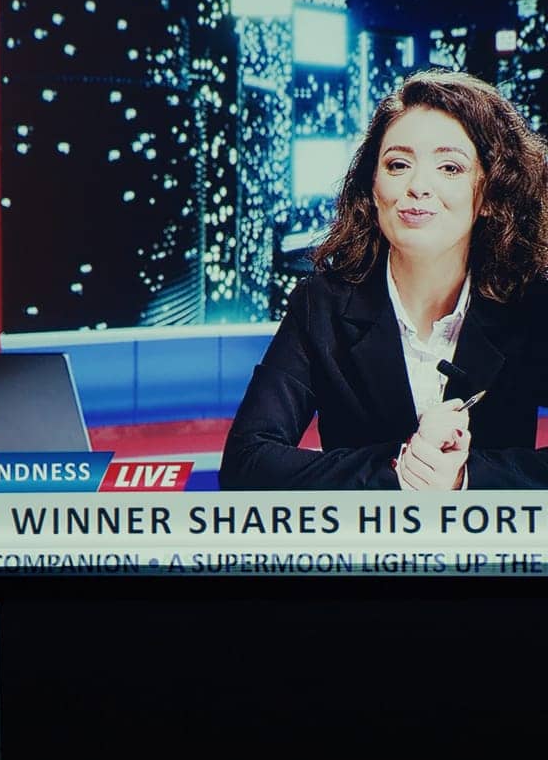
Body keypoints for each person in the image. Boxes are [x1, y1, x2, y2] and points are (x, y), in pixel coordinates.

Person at [220, 69, 548, 490]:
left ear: (489, 194)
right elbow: (247, 463)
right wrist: (400, 468)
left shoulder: (530, 305)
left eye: (449, 167)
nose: (417, 187)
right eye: (398, 164)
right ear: (373, 187)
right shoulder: (321, 305)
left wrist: (467, 479)